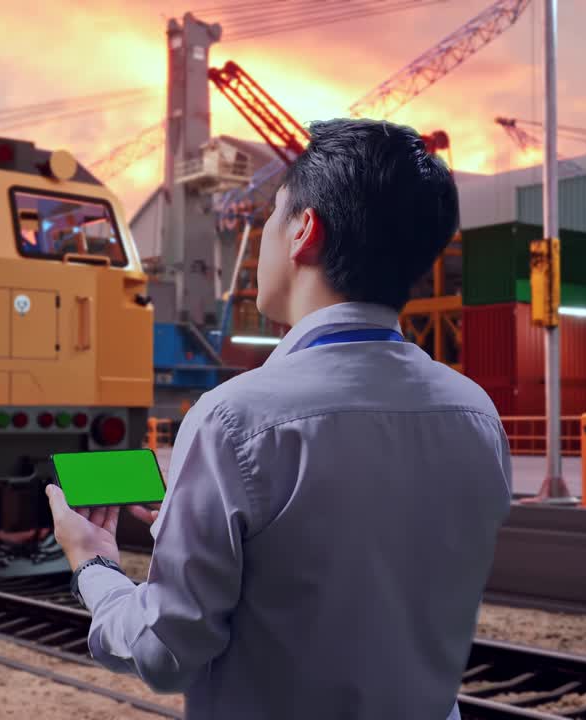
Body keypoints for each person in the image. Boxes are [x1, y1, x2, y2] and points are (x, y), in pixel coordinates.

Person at [46, 118, 514, 719]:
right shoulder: (476, 413)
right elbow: (370, 561)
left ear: (303, 232)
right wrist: (206, 526)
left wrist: (94, 564)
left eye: (271, 214)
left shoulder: (232, 421)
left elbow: (166, 653)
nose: (264, 231)